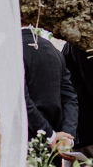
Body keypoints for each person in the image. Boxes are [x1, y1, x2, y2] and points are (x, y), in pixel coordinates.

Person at [22, 26, 78, 154]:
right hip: (55, 149)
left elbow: (21, 98)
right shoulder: (53, 50)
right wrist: (66, 137)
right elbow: (70, 97)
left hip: (24, 147)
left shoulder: (9, 49)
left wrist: (49, 135)